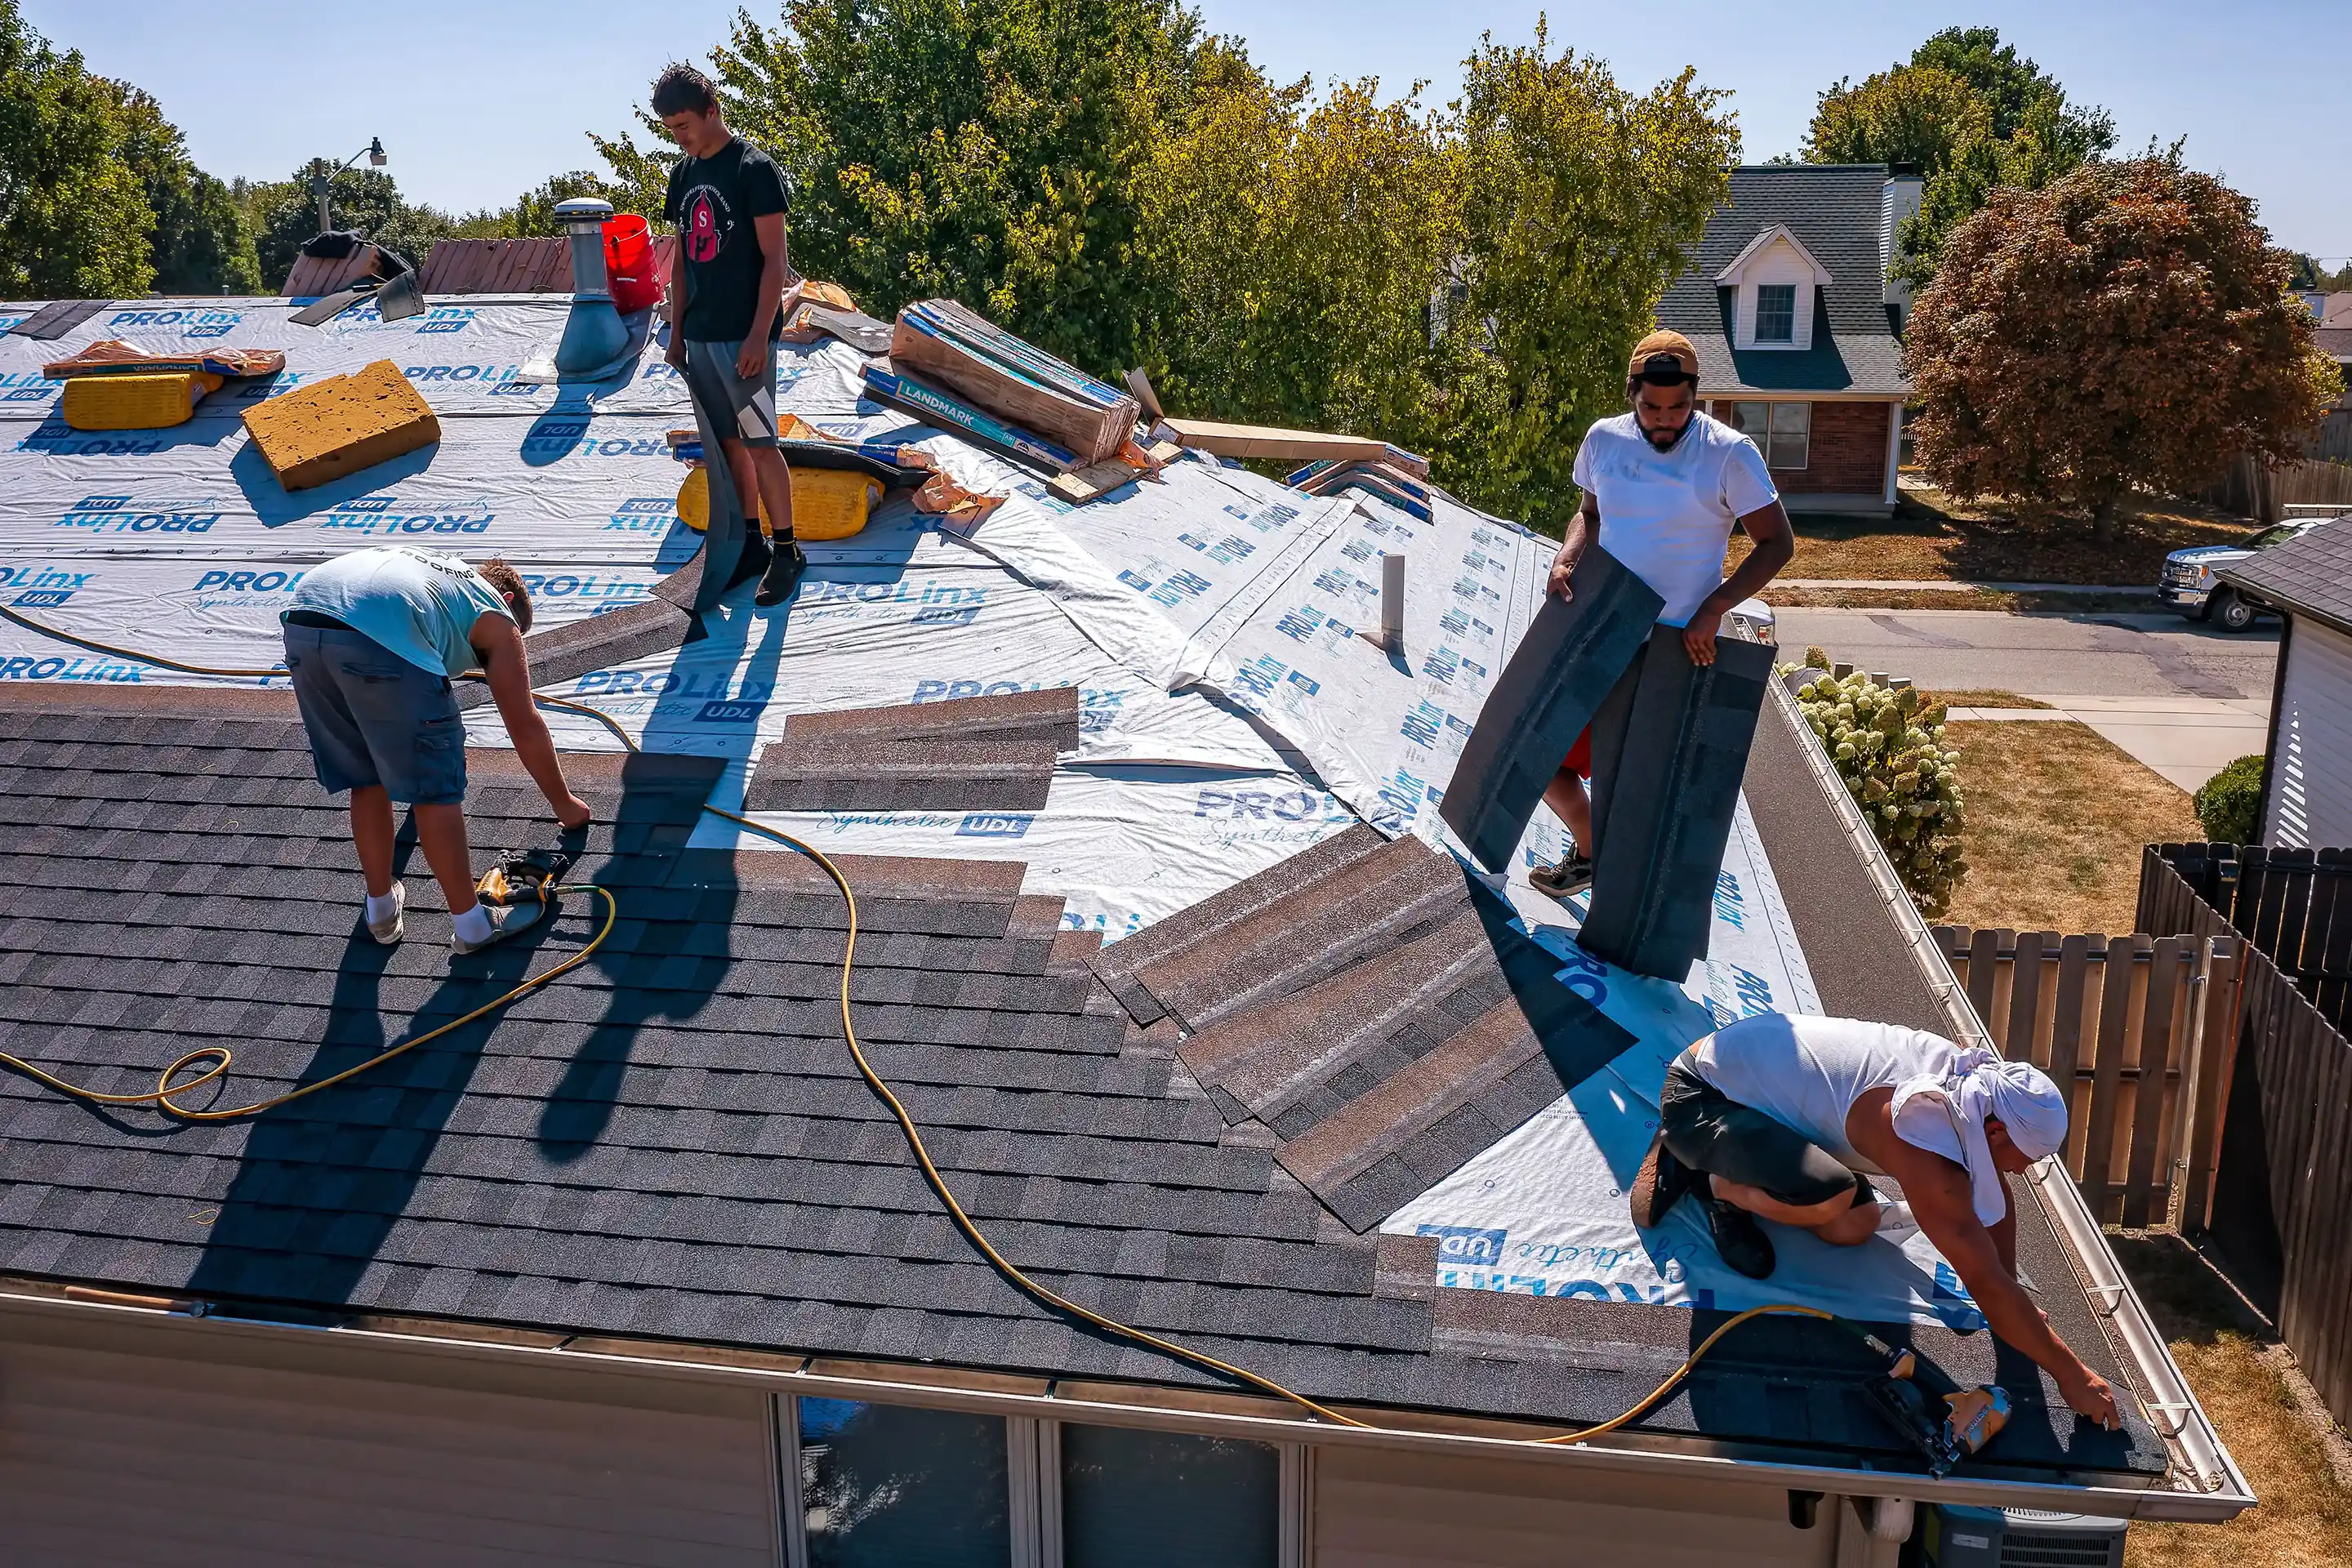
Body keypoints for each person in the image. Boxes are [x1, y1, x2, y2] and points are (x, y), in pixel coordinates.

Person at [1632, 1010, 2122, 1430]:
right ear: (1994, 1131)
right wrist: (2072, 1374)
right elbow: (1984, 1282)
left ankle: (1743, 1163)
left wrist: (2015, 1294)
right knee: (1829, 1198)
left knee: (1854, 1224)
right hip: (1702, 1094)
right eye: (2027, 1156)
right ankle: (1711, 1182)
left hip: (1766, 1099)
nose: (2028, 1169)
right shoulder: (1918, 1127)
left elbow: (1995, 1202)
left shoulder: (1975, 1095)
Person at [1530, 330, 1796, 898]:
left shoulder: (1729, 454)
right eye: (1652, 406)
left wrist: (1715, 606)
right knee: (1538, 755)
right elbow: (1589, 514)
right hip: (1603, 633)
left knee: (1646, 788)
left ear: (1694, 397)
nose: (1665, 420)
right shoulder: (1604, 441)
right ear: (1632, 394)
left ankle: (1634, 913)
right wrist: (1568, 554)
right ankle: (1592, 851)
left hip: (1677, 648)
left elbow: (1777, 543)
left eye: (1679, 408)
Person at [281, 546, 592, 956]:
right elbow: (523, 724)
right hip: (375, 632)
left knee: (367, 776)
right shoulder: (496, 613)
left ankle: (379, 907)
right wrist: (566, 806)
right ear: (510, 601)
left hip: (306, 620)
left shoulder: (444, 578)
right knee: (437, 793)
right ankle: (472, 924)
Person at [653, 60, 807, 609]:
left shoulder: (753, 169)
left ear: (713, 111)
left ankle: (788, 551)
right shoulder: (684, 174)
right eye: (671, 129)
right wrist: (677, 329)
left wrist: (758, 336)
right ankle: (749, 544)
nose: (680, 137)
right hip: (700, 337)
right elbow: (681, 262)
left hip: (747, 341)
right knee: (727, 445)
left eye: (685, 125)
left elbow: (775, 262)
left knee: (762, 443)